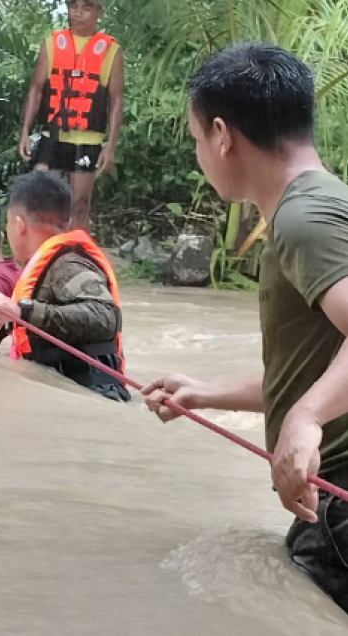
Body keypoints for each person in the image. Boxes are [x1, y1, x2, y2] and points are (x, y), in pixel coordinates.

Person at [141, 43, 348, 612]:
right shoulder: (318, 205)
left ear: (222, 134)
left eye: (196, 140)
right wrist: (206, 393)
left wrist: (305, 419)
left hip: (338, 508)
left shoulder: (303, 218)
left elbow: (316, 398)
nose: (200, 154)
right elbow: (318, 370)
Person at [0, 171, 129, 402]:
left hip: (94, 399)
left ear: (19, 225)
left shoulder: (68, 264)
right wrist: (14, 318)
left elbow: (105, 316)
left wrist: (23, 311)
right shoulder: (52, 266)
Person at [17, 0, 123, 230]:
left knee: (80, 205)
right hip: (52, 135)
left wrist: (110, 145)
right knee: (42, 200)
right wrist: (24, 131)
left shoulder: (111, 50)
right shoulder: (52, 44)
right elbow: (36, 89)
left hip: (87, 140)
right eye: (74, 6)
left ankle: (77, 256)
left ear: (98, 12)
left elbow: (115, 100)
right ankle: (41, 258)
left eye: (86, 8)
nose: (79, 13)